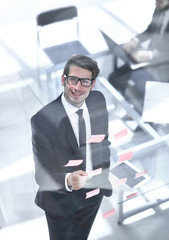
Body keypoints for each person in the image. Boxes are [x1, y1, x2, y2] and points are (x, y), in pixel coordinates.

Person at [31, 54, 112, 240]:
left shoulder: (98, 100)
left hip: (94, 191)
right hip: (62, 200)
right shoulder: (43, 120)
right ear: (63, 79)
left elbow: (104, 141)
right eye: (73, 79)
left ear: (92, 84)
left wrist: (105, 174)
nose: (77, 87)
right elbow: (42, 174)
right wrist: (68, 179)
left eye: (84, 81)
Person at [109, 0, 169, 99]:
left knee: (138, 90)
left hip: (164, 68)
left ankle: (135, 109)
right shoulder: (159, 9)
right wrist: (135, 40)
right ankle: (128, 106)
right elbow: (151, 29)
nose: (156, 3)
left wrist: (150, 55)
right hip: (148, 62)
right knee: (114, 78)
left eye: (160, 2)